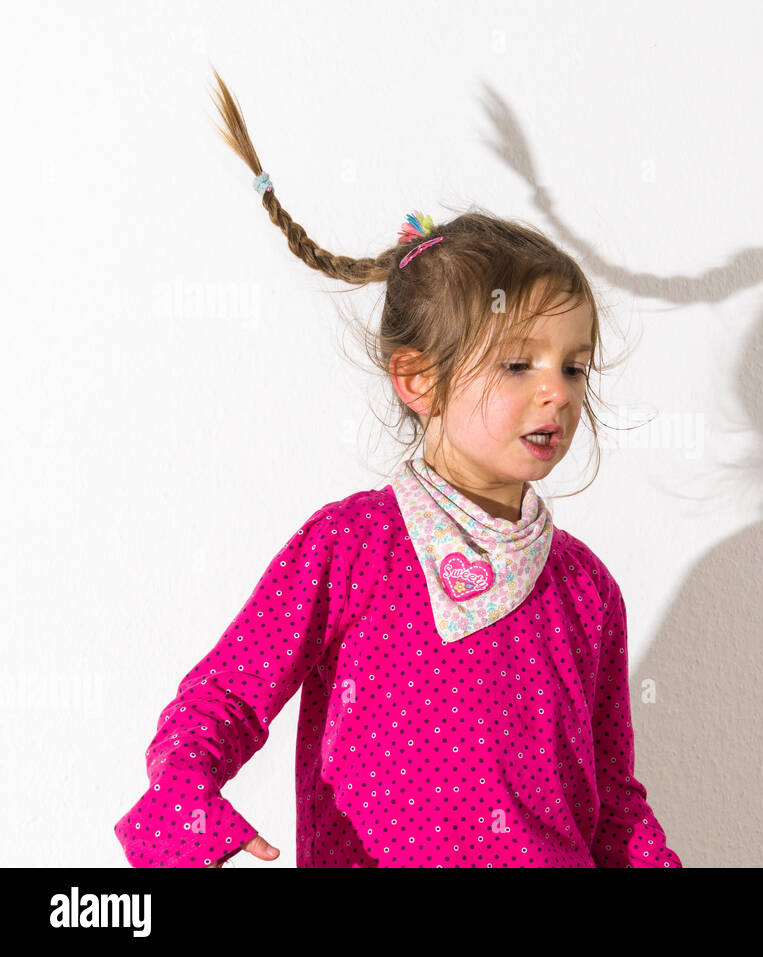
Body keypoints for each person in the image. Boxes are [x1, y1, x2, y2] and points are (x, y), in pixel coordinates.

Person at [111, 69, 681, 868]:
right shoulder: (352, 547)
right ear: (418, 379)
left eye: (576, 367)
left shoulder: (585, 591)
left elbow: (615, 805)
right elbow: (226, 695)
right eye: (518, 364)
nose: (556, 391)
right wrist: (185, 806)